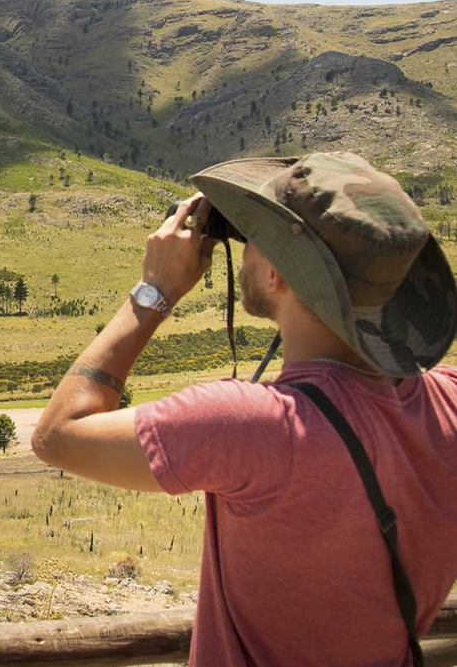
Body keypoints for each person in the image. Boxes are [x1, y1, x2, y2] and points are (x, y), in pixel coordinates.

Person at [32, 150, 457, 667]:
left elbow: (56, 435)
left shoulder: (255, 424)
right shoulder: (448, 400)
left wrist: (155, 291)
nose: (245, 246)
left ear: (277, 273)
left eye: (256, 237)